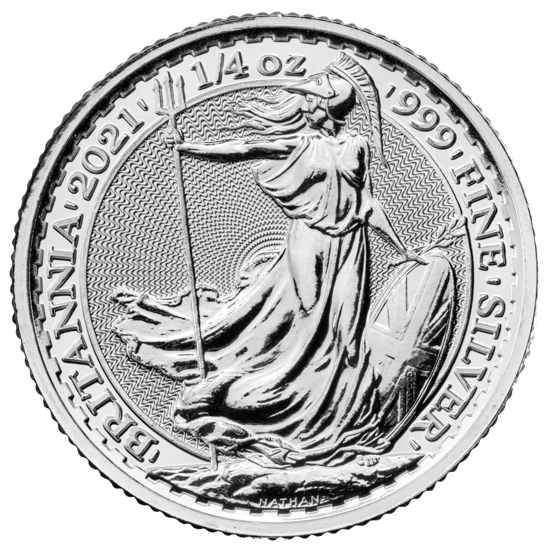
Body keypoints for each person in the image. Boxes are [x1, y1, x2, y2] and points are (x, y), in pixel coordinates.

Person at [113, 52, 424, 465]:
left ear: (332, 105)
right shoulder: (300, 143)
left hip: (352, 246)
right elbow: (247, 147)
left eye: (313, 100)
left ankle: (340, 420)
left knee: (347, 333)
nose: (306, 107)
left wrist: (402, 249)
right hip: (309, 241)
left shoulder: (357, 146)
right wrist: (189, 148)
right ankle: (284, 409)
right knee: (309, 323)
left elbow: (367, 203)